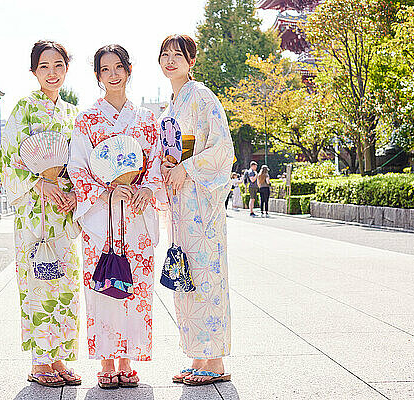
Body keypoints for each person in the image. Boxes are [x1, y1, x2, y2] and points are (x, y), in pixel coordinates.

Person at [68, 44, 164, 389]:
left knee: (136, 285)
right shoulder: (87, 120)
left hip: (136, 213)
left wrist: (148, 189)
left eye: (118, 67)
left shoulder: (147, 119)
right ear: (97, 76)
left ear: (129, 70)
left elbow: (155, 162)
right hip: (102, 217)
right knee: (104, 286)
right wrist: (105, 191)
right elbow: (77, 166)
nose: (112, 74)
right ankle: (107, 361)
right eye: (105, 69)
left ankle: (128, 360)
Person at [0, 40, 82, 388]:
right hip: (35, 214)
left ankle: (60, 358)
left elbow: (77, 163)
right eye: (44, 66)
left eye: (58, 65)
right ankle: (40, 362)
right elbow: (8, 157)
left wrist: (74, 192)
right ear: (34, 71)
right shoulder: (23, 108)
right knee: (38, 282)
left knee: (65, 283)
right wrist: (38, 185)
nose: (52, 72)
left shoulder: (70, 113)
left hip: (62, 212)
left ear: (67, 68)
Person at [158, 34, 234, 386]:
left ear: (192, 61)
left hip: (201, 204)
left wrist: (185, 169)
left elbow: (221, 147)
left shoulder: (201, 96)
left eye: (178, 55)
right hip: (181, 205)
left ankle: (215, 360)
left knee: (206, 276)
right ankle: (197, 355)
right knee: (186, 278)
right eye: (165, 55)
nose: (170, 60)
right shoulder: (170, 104)